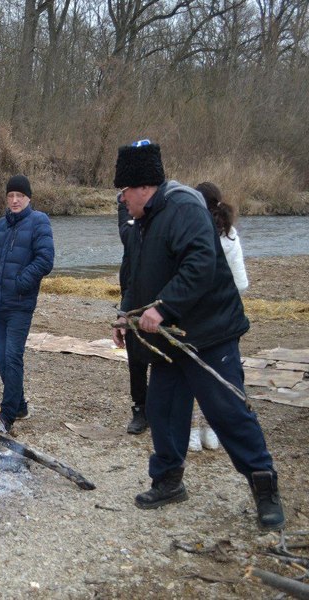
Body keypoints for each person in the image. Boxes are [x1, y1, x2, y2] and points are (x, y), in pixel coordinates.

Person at [111, 140, 285, 530]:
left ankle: (265, 487)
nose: (121, 200)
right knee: (163, 410)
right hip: (170, 341)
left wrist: (163, 307)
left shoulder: (184, 207)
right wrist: (126, 314)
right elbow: (135, 274)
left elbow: (200, 264)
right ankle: (169, 481)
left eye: (122, 192)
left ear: (142, 187)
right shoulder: (143, 221)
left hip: (209, 333)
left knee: (227, 411)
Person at [0, 175, 54, 430]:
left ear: (28, 198)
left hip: (20, 305)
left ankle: (8, 414)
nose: (14, 200)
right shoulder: (0, 225)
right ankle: (20, 404)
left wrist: (22, 281)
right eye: (10, 196)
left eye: (19, 196)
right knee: (1, 357)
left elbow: (46, 260)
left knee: (13, 356)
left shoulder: (39, 222)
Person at [186, 181, 250, 451]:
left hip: (195, 316)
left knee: (188, 373)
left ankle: (190, 432)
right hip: (225, 317)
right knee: (219, 377)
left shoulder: (192, 231)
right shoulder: (231, 234)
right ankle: (211, 431)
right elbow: (241, 283)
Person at [117, 194, 149, 435]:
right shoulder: (130, 230)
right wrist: (123, 313)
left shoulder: (161, 226)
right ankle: (140, 409)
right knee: (135, 357)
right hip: (132, 296)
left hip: (158, 302)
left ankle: (159, 410)